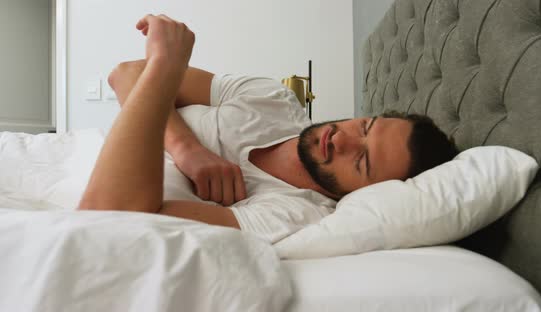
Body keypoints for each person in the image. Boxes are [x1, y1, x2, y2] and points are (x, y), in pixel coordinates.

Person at [78, 14, 458, 243]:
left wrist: (164, 64)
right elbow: (125, 75)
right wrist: (185, 149)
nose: (341, 138)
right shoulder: (271, 98)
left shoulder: (295, 215)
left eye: (361, 162)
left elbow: (112, 221)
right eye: (364, 126)